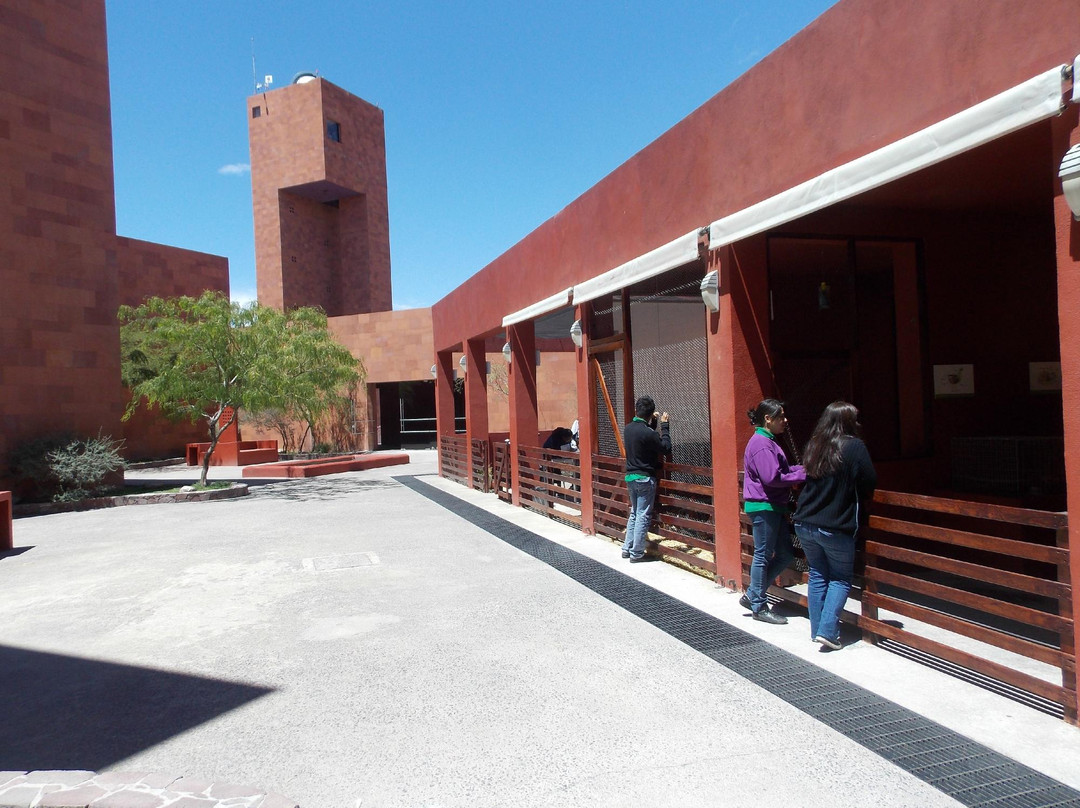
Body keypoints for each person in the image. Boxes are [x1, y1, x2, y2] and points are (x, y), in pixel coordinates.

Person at [793, 401, 877, 650]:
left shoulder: (815, 445)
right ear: (848, 422)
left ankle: (817, 629)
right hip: (835, 525)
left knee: (818, 574)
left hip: (805, 521)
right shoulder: (855, 447)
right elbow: (869, 480)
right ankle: (828, 632)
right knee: (840, 578)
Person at [741, 399, 805, 624]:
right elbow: (772, 477)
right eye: (781, 417)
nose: (785, 421)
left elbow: (782, 470)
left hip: (772, 506)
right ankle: (758, 605)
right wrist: (803, 475)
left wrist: (803, 469)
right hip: (764, 506)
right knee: (763, 554)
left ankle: (753, 594)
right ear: (768, 419)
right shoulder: (761, 443)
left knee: (785, 554)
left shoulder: (769, 442)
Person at [622, 396, 671, 563]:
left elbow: (644, 438)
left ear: (637, 410)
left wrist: (653, 423)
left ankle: (627, 548)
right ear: (650, 414)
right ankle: (636, 553)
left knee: (635, 513)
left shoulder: (628, 429)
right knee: (642, 515)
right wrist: (664, 426)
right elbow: (665, 447)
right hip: (645, 478)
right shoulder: (648, 433)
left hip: (631, 477)